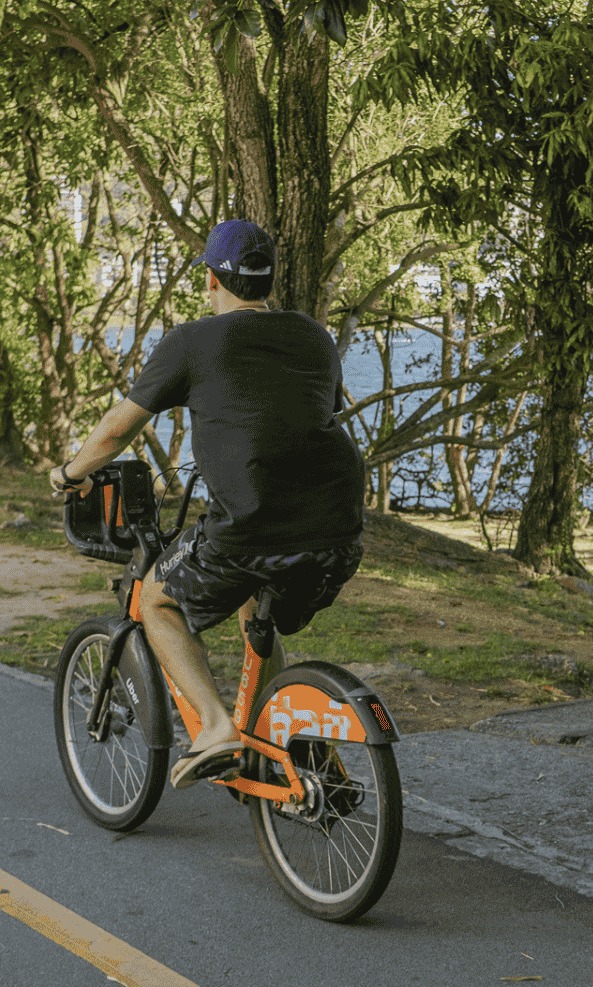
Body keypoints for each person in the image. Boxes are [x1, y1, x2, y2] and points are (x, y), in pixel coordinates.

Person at [49, 219, 365, 788]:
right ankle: (283, 747)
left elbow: (117, 432)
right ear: (269, 278)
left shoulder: (192, 341)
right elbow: (305, 417)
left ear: (210, 279)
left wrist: (67, 474)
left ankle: (216, 728)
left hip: (250, 528)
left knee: (155, 603)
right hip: (339, 529)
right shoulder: (315, 338)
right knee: (256, 613)